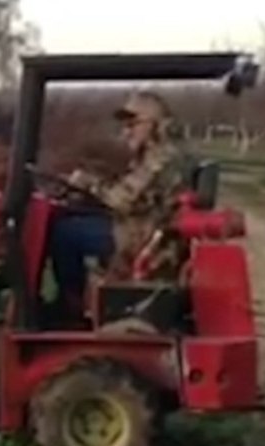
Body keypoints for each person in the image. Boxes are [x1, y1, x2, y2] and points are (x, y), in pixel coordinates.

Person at [48, 90, 188, 318]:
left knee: (65, 233)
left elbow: (121, 200)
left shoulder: (161, 159)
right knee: (69, 219)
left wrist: (86, 184)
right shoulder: (150, 156)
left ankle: (68, 307)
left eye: (133, 124)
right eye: (125, 125)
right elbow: (132, 194)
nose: (126, 131)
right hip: (142, 226)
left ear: (156, 125)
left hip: (145, 238)